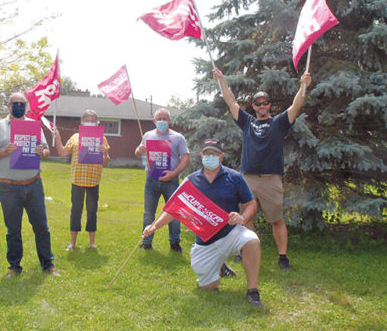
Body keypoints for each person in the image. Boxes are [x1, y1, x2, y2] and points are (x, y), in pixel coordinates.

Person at [143, 139, 264, 308]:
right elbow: (173, 209)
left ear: (221, 156)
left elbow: (251, 204)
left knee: (252, 240)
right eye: (207, 153)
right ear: (201, 155)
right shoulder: (191, 181)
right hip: (205, 241)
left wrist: (242, 218)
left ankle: (252, 291)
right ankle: (220, 267)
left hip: (231, 233)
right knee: (208, 287)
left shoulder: (234, 177)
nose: (210, 157)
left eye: (214, 154)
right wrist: (154, 226)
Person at [212, 68, 312, 271]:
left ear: (269, 105)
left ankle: (283, 257)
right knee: (245, 218)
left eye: (265, 103)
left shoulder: (279, 123)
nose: (262, 106)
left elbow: (295, 106)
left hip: (270, 180)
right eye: (258, 103)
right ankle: (245, 251)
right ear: (254, 106)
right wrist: (222, 80)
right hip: (247, 179)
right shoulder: (247, 122)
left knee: (276, 219)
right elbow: (231, 101)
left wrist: (304, 86)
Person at [0, 92, 58, 277]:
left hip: (34, 184)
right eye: (14, 104)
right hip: (9, 187)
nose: (18, 106)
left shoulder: (34, 126)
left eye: (21, 104)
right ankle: (14, 266)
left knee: (41, 226)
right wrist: (3, 152)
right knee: (13, 229)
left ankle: (48, 264)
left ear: (26, 107)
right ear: (8, 106)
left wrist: (43, 152)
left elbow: (47, 150)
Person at [134, 108, 190, 251]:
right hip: (151, 179)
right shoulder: (147, 135)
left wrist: (173, 173)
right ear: (154, 121)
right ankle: (146, 242)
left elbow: (185, 158)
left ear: (170, 121)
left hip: (171, 181)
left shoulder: (178, 138)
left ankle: (175, 242)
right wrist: (139, 150)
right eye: (159, 119)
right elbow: (137, 152)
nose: (162, 121)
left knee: (174, 212)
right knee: (148, 212)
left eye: (165, 119)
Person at [54, 109, 110, 250]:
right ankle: (73, 243)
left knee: (92, 211)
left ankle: (92, 243)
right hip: (77, 181)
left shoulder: (101, 138)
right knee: (76, 211)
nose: (90, 123)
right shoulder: (75, 137)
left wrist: (105, 152)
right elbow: (62, 153)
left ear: (97, 123)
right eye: (87, 120)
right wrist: (57, 137)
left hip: (93, 181)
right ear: (82, 122)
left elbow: (105, 162)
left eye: (92, 120)